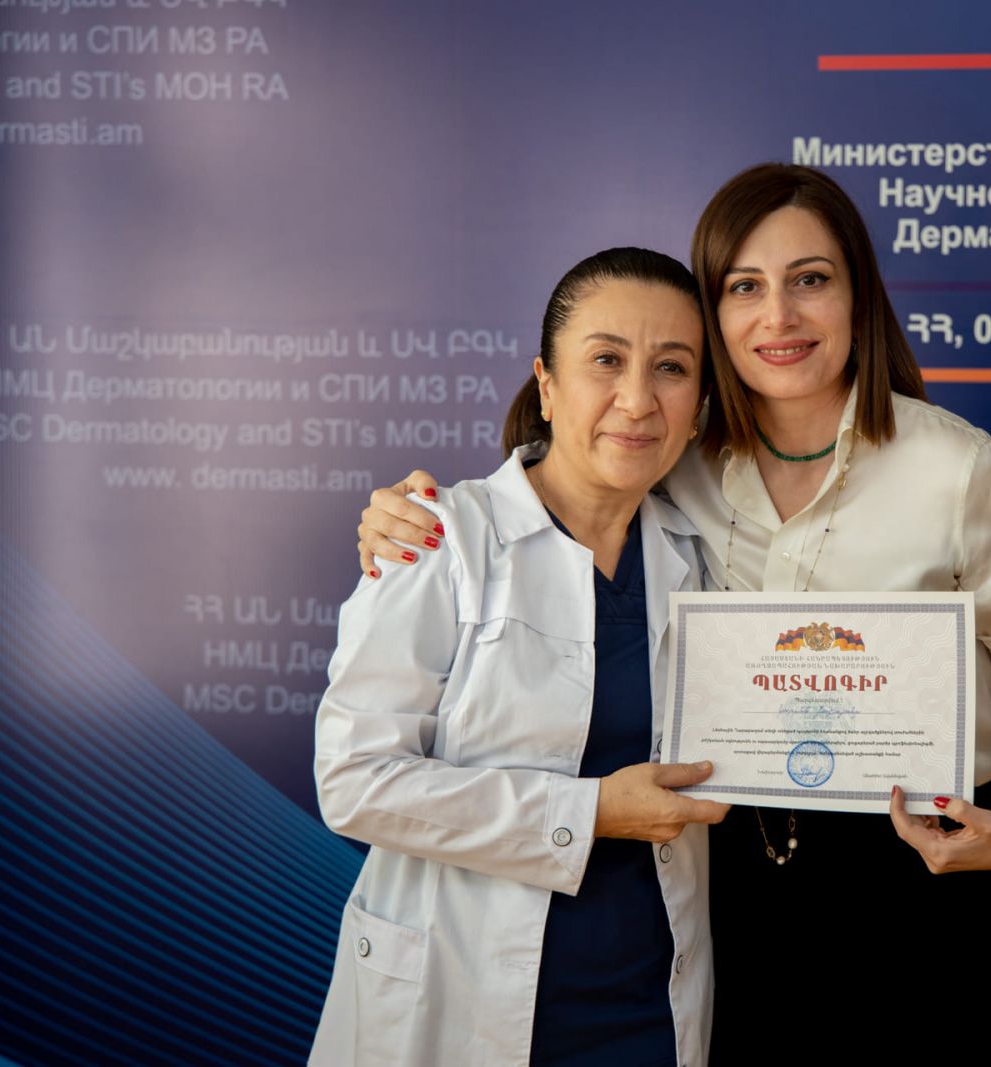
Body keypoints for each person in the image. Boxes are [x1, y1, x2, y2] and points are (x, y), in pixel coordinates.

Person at [355, 165, 991, 1060]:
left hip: (931, 889)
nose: (778, 316)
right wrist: (408, 517)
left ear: (859, 296)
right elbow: (565, 478)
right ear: (712, 317)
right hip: (744, 898)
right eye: (744, 287)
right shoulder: (678, 462)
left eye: (810, 280)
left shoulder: (958, 470)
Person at [312, 247, 730, 1067]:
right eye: (606, 360)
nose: (637, 398)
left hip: (649, 1007)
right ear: (546, 384)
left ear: (699, 408)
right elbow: (353, 779)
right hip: (457, 1005)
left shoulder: (702, 557)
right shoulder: (441, 538)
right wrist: (590, 811)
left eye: (672, 368)